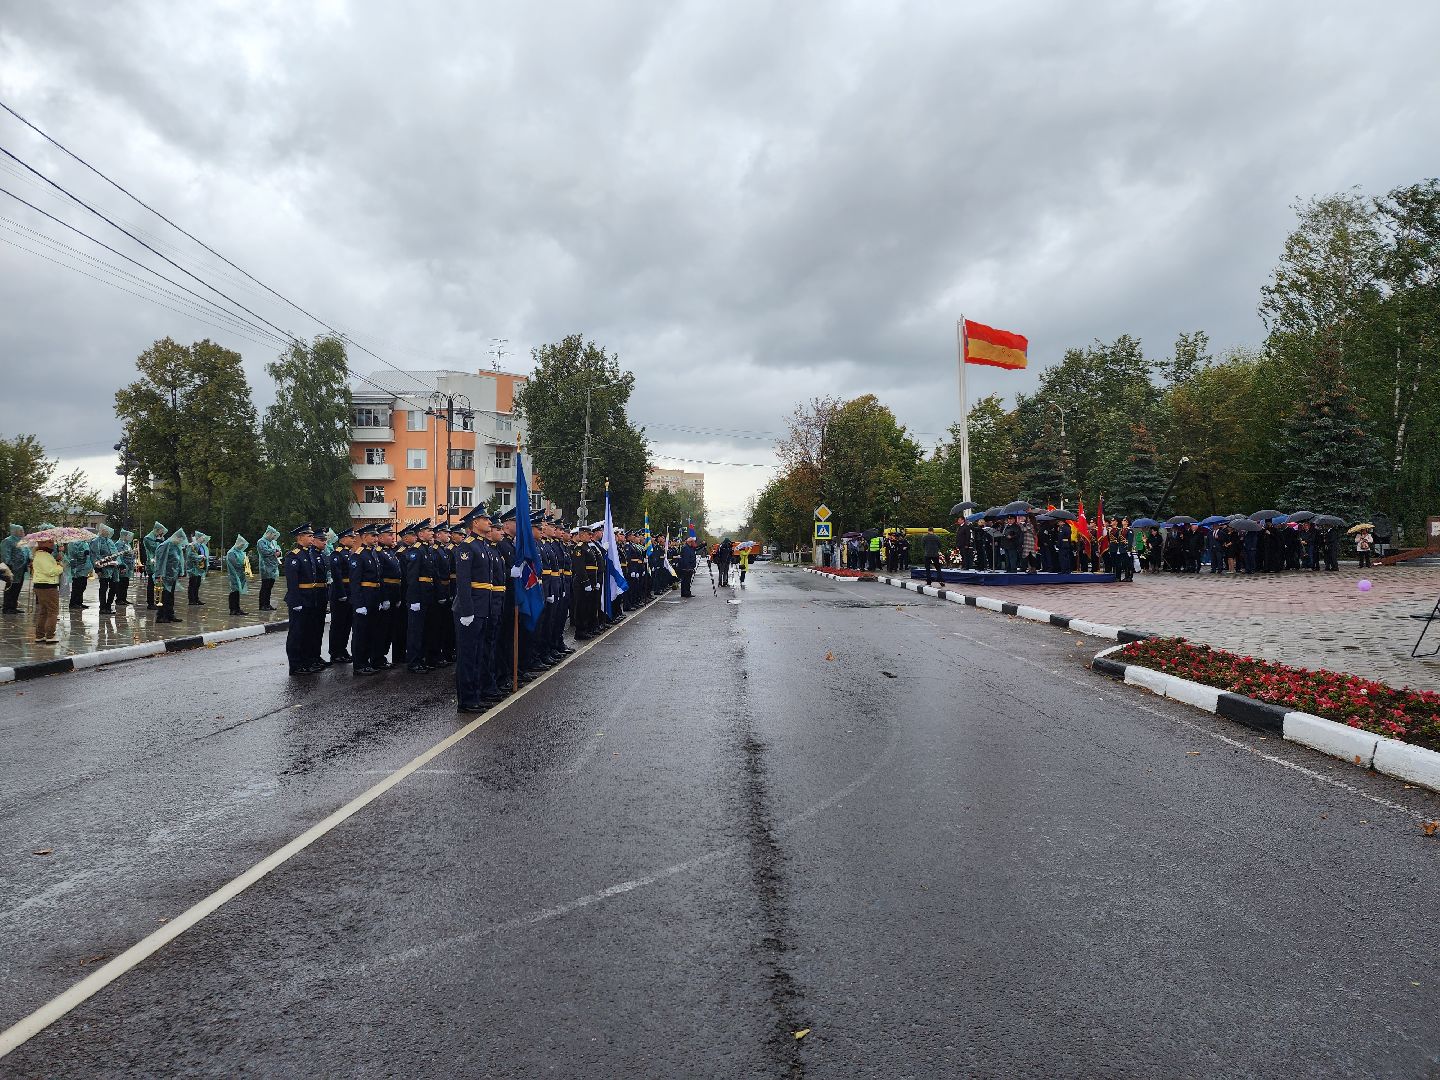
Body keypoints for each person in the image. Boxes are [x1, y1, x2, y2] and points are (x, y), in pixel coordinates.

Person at [30, 531, 63, 644]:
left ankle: (40, 635)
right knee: (53, 611)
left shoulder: (43, 555)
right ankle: (50, 635)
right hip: (48, 587)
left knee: (44, 611)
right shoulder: (43, 556)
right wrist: (60, 567)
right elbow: (50, 571)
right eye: (50, 541)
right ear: (43, 543)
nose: (52, 543)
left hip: (42, 585)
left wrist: (56, 560)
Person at [153, 528, 188, 622]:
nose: (181, 541)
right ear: (176, 537)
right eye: (180, 539)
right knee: (163, 596)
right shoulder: (165, 545)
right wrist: (159, 574)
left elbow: (179, 560)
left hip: (172, 576)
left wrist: (180, 572)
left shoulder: (175, 546)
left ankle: (170, 614)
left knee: (170, 596)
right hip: (164, 576)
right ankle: (161, 616)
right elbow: (161, 561)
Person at [2, 523, 28, 613]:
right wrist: (9, 566)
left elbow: (27, 552)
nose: (23, 532)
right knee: (10, 588)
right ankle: (7, 607)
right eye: (21, 531)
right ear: (15, 532)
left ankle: (13, 606)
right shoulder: (8, 541)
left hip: (21, 569)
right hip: (12, 569)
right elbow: (6, 555)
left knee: (17, 588)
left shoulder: (22, 541)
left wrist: (30, 559)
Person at [66, 533, 94, 609]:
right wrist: (83, 553)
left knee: (82, 585)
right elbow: (73, 554)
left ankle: (79, 602)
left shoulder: (85, 543)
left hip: (85, 568)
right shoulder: (72, 543)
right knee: (77, 586)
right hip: (77, 568)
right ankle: (73, 603)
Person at [257, 526, 282, 611]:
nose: (273, 537)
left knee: (270, 586)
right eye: (273, 535)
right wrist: (274, 551)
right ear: (269, 533)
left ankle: (267, 604)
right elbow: (264, 551)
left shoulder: (273, 542)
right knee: (265, 586)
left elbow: (279, 549)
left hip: (273, 567)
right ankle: (262, 605)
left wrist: (278, 552)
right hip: (265, 567)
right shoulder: (261, 541)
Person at [142, 522, 166, 609]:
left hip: (159, 562)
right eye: (161, 532)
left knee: (159, 582)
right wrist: (159, 540)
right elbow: (155, 548)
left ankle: (158, 600)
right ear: (157, 530)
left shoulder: (158, 537)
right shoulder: (148, 538)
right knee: (151, 583)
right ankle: (150, 603)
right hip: (151, 563)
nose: (162, 534)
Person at [226, 535, 251, 615]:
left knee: (237, 592)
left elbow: (245, 561)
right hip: (234, 575)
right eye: (241, 545)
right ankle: (233, 609)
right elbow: (235, 564)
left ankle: (237, 609)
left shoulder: (240, 552)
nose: (242, 546)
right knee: (234, 592)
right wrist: (243, 565)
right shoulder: (231, 553)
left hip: (240, 575)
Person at [113, 529, 136, 609]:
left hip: (129, 566)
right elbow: (119, 555)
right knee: (121, 583)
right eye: (128, 536)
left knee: (125, 583)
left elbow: (130, 553)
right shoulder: (119, 544)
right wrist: (122, 564)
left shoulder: (127, 544)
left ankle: (123, 598)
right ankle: (119, 599)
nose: (129, 537)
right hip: (123, 566)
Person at [186, 531, 209, 605]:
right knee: (192, 584)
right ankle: (191, 600)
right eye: (202, 537)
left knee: (197, 584)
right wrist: (200, 557)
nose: (204, 539)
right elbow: (190, 555)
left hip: (199, 568)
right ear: (198, 538)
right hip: (193, 568)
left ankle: (196, 599)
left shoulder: (201, 546)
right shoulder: (193, 545)